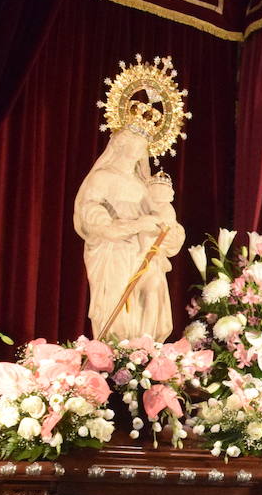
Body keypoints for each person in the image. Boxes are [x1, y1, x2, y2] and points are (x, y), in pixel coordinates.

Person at [72, 128, 184, 342]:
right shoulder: (102, 177)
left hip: (146, 254)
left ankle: (145, 352)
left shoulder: (145, 185)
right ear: (121, 142)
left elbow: (165, 219)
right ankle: (118, 357)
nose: (141, 146)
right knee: (117, 308)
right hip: (116, 252)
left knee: (150, 297)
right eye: (137, 139)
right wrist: (132, 225)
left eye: (144, 141)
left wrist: (170, 234)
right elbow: (91, 213)